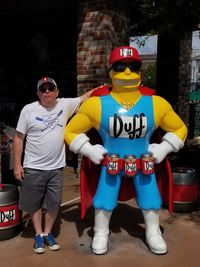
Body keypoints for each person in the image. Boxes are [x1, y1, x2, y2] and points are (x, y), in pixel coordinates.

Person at [64, 46, 188, 255]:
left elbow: (180, 128)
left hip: (144, 162)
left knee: (150, 197)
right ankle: (101, 231)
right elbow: (71, 131)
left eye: (134, 66)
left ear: (140, 70)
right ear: (111, 71)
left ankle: (153, 231)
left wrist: (165, 147)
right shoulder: (96, 104)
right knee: (104, 197)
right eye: (121, 66)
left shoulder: (156, 103)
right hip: (110, 163)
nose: (128, 72)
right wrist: (88, 149)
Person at [13, 76, 94, 254]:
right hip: (33, 167)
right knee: (34, 204)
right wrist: (17, 165)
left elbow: (85, 98)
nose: (47, 92)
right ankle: (38, 235)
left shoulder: (64, 104)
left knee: (54, 203)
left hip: (56, 168)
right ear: (38, 93)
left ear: (57, 91)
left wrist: (107, 87)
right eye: (43, 89)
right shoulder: (28, 110)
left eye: (51, 88)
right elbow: (19, 139)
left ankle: (48, 233)